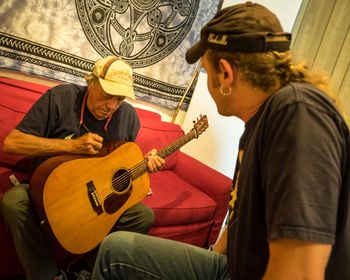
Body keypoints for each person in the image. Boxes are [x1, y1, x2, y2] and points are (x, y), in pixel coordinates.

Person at [90, 2, 350, 280]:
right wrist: (212, 255)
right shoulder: (257, 125)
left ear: (225, 73)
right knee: (116, 251)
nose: (209, 81)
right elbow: (239, 216)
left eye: (206, 70)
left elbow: (301, 271)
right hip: (233, 269)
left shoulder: (297, 112)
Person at [0, 55, 165, 280]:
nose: (112, 106)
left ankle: (84, 270)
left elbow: (120, 162)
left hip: (93, 199)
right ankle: (49, 276)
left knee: (143, 216)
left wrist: (144, 163)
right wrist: (72, 145)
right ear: (92, 82)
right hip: (48, 191)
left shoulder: (128, 117)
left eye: (120, 99)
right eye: (108, 96)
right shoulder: (60, 98)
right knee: (14, 202)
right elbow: (12, 142)